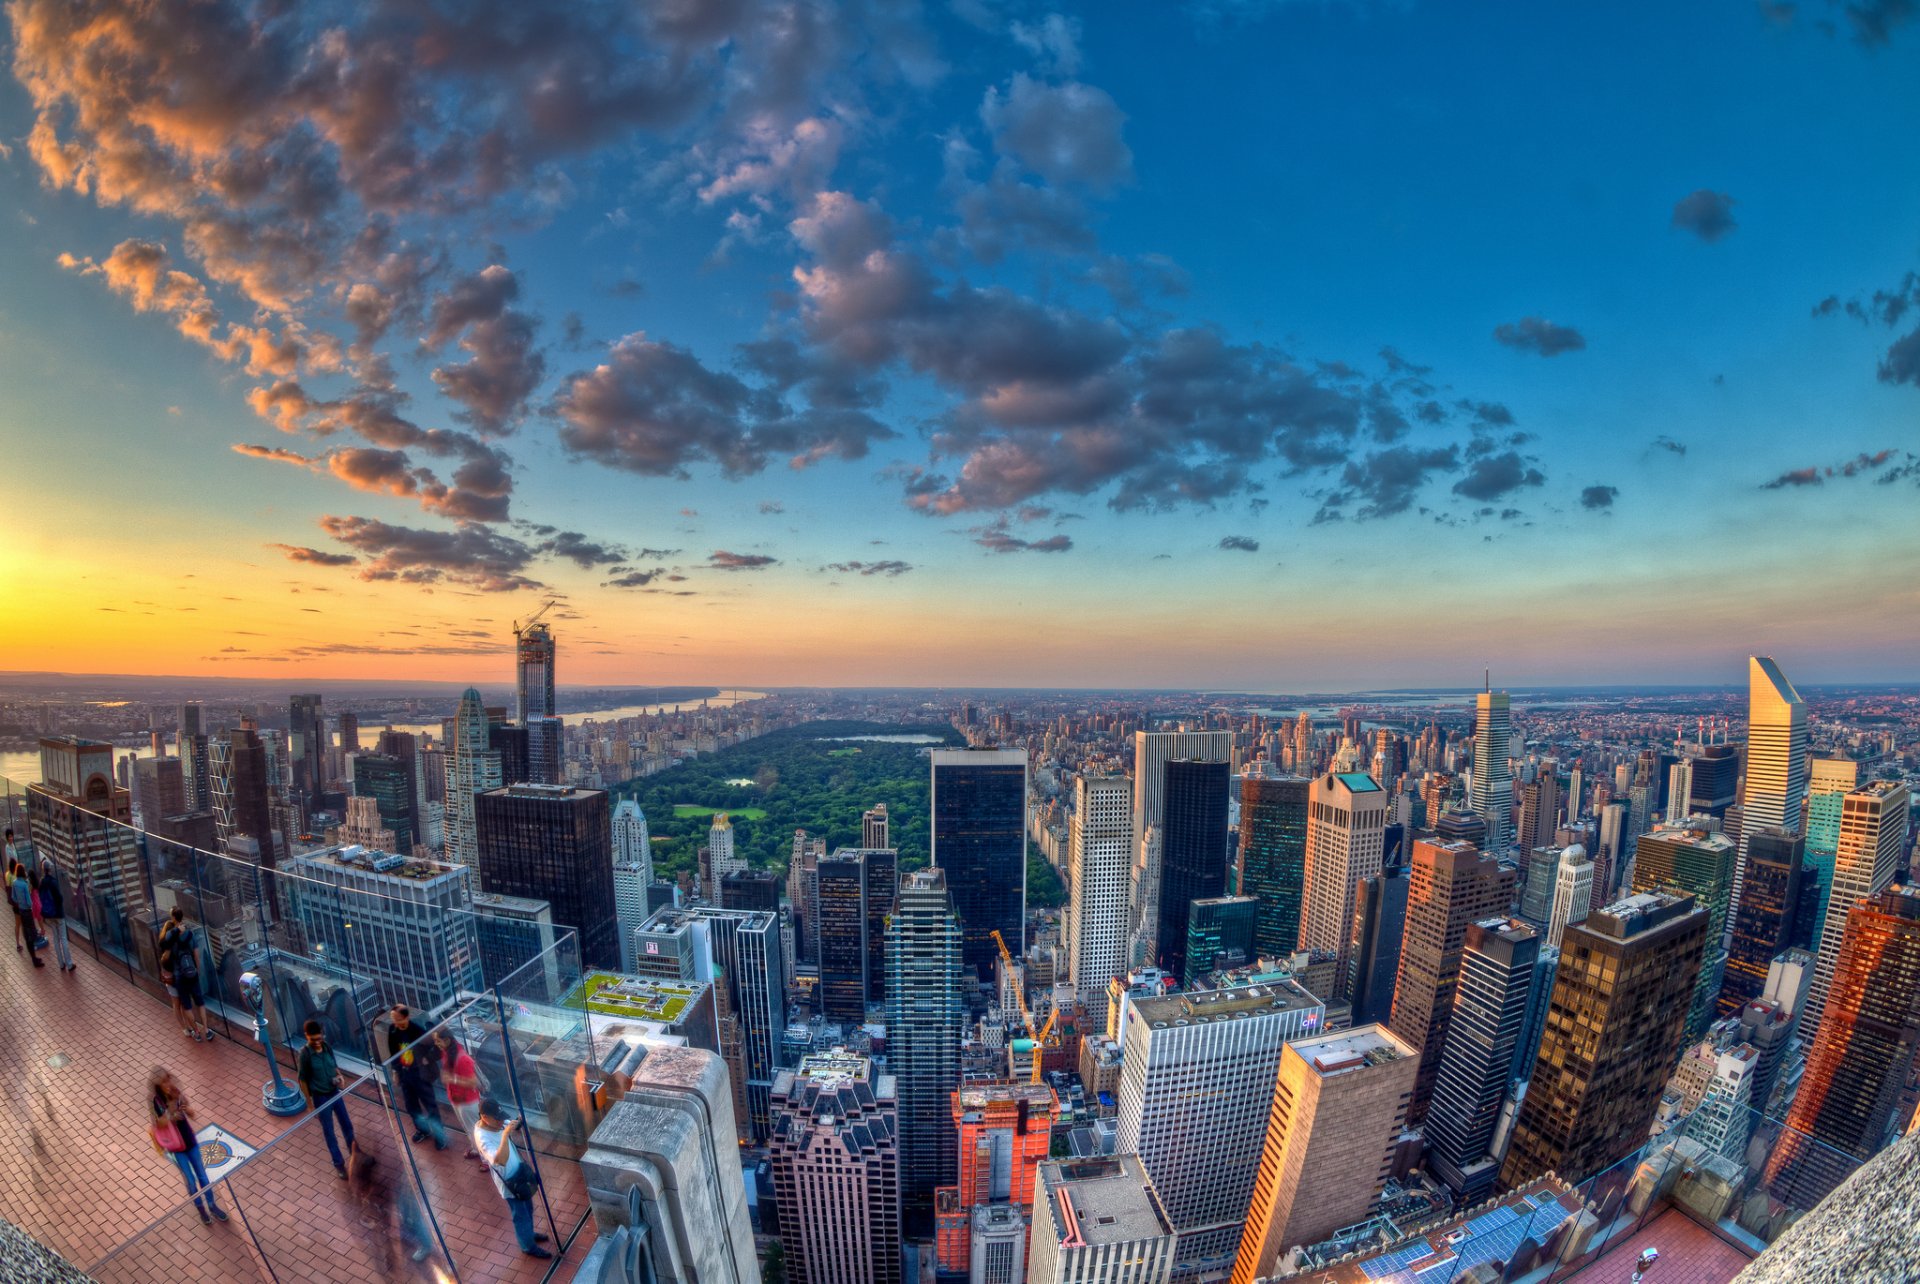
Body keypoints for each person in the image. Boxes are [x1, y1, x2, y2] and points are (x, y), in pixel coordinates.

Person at [148, 1066, 229, 1224]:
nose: (168, 1084)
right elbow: (159, 1124)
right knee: (190, 1180)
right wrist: (171, 1113)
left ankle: (212, 1206)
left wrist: (187, 1109)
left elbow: (192, 1113)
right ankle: (201, 1208)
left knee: (203, 1176)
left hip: (189, 1140)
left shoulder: (176, 1092)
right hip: (176, 1147)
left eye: (168, 1079)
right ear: (158, 1084)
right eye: (164, 1082)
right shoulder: (156, 1101)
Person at [474, 1097, 551, 1259]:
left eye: (502, 1117)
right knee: (520, 1214)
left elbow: (511, 1124)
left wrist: (517, 1122)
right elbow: (499, 1160)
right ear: (485, 1117)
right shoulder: (482, 1137)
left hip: (520, 1174)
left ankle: (528, 1233)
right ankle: (528, 1246)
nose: (502, 1121)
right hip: (510, 1184)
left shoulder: (497, 1123)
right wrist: (505, 1134)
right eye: (498, 1118)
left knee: (528, 1208)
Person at [296, 1019, 357, 1180]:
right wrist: (310, 1105)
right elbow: (302, 1080)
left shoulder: (327, 1047)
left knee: (346, 1124)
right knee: (329, 1132)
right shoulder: (305, 1054)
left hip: (334, 1091)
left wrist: (340, 1076)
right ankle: (339, 1164)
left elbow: (334, 1065)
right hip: (320, 1097)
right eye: (313, 1039)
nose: (317, 1042)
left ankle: (355, 1153)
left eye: (319, 1038)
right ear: (307, 1036)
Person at [385, 1005, 447, 1149]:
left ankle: (440, 1136)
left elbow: (437, 1047)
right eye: (393, 1019)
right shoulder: (393, 1030)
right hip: (405, 1073)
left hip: (420, 1073)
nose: (395, 1022)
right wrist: (396, 1071)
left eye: (398, 1019)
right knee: (411, 1105)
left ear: (406, 1017)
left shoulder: (417, 1031)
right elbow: (393, 1053)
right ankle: (423, 1130)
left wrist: (428, 1058)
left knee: (430, 1105)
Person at [433, 1029, 487, 1164]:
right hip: (458, 1099)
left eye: (438, 1041)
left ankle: (486, 1160)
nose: (436, 1044)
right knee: (469, 1128)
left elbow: (473, 1082)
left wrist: (452, 1079)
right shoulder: (448, 1052)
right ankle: (477, 1150)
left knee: (475, 1130)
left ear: (447, 1040)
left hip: (468, 1102)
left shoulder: (462, 1058)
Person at [164, 920, 213, 1042]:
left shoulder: (170, 941)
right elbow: (196, 956)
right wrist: (197, 970)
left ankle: (196, 1032)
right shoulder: (190, 936)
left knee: (187, 1006)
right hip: (192, 974)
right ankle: (206, 1030)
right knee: (200, 1003)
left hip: (179, 977)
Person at [35, 864, 73, 972]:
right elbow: (59, 897)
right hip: (58, 914)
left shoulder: (41, 883)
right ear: (50, 870)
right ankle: (69, 964)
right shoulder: (53, 882)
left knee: (56, 939)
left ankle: (61, 964)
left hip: (48, 915)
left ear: (43, 870)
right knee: (63, 939)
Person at [158, 908, 190, 1033]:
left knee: (177, 1003)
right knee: (180, 1003)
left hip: (169, 977)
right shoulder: (168, 943)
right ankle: (186, 1026)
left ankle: (185, 1027)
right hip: (174, 976)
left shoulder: (164, 945)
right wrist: (179, 930)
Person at [11, 861, 43, 968]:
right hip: (27, 910)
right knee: (33, 934)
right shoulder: (24, 884)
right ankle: (34, 958)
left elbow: (13, 897)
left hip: (20, 910)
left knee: (27, 932)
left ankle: (34, 957)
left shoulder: (15, 883)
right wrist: (28, 903)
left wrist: (19, 903)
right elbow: (29, 902)